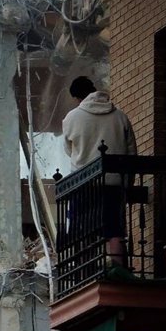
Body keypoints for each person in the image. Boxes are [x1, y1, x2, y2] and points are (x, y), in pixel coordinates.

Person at [62, 76, 137, 267]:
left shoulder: (71, 118)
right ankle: (119, 271)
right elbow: (131, 153)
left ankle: (85, 273)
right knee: (115, 231)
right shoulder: (120, 116)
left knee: (83, 232)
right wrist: (127, 183)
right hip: (114, 183)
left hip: (84, 184)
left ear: (77, 98)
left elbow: (69, 150)